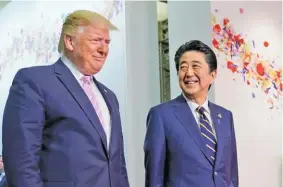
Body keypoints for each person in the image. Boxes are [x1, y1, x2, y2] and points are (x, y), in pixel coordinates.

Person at [2, 10, 129, 187]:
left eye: (107, 42)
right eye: (96, 41)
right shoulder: (34, 82)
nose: (104, 49)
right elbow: (21, 163)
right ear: (69, 41)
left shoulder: (109, 97)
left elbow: (117, 164)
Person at [144, 40, 238, 187]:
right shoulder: (161, 116)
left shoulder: (225, 116)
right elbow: (154, 178)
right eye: (183, 67)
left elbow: (231, 174)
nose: (188, 73)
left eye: (195, 66)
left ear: (212, 75)